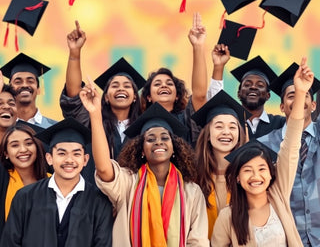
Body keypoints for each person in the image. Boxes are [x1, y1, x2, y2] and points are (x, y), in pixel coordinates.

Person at [80, 81, 210, 246]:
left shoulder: (191, 191)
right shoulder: (128, 183)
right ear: (141, 150)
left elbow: (198, 241)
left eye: (165, 138)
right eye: (150, 139)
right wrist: (95, 114)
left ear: (174, 147)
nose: (158, 142)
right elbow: (104, 169)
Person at [211, 57, 312, 247]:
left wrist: (300, 92)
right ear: (238, 177)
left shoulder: (278, 195)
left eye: (262, 169)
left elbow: (291, 144)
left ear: (271, 172)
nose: (256, 175)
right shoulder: (228, 216)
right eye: (247, 170)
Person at [0, 117, 113, 247]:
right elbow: (10, 243)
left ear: (85, 160)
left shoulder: (99, 202)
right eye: (62, 153)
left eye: (76, 154)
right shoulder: (25, 197)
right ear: (49, 158)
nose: (69, 160)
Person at [60, 21, 145, 183]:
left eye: (127, 86)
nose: (121, 89)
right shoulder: (92, 121)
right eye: (114, 85)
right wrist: (74, 53)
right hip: (95, 198)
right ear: (105, 96)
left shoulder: (144, 127)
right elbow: (73, 95)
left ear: (135, 96)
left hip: (134, 200)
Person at [258, 62, 320, 246]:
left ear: (314, 105)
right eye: (291, 96)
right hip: (289, 239)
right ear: (282, 107)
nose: (298, 101)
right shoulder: (264, 146)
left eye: (304, 95)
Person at [141, 12, 208, 146]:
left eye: (169, 83)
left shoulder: (186, 119)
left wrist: (198, 47)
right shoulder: (140, 123)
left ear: (177, 96)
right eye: (157, 84)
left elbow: (200, 95)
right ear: (148, 96)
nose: (163, 86)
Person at [192, 89, 248, 238]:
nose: (226, 132)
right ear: (208, 135)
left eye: (232, 127)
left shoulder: (248, 176)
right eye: (219, 126)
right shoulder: (193, 178)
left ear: (239, 134)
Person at [208, 44, 285, 138]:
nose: (253, 87)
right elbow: (215, 102)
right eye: (247, 84)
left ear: (268, 95)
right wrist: (218, 67)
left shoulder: (279, 124)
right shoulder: (230, 122)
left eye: (260, 85)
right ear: (239, 94)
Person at [0, 123, 48, 238]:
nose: (23, 149)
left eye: (29, 143)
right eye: (15, 145)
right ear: (6, 153)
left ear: (37, 146)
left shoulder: (52, 181)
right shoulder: (3, 180)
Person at [0, 53, 57, 128]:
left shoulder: (54, 128)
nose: (24, 85)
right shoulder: (3, 127)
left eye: (30, 81)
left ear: (38, 89)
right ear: (10, 89)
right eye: (18, 82)